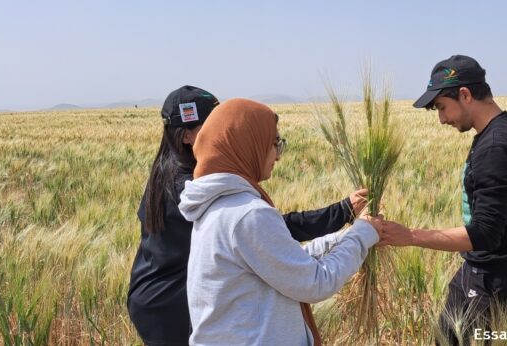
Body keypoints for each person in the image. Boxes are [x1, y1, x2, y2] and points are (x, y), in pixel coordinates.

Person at [126, 86, 369, 346]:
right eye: (212, 125)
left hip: (154, 298)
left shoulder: (195, 186)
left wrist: (341, 228)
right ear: (186, 136)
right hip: (170, 306)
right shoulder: (203, 194)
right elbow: (282, 247)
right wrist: (350, 222)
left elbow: (272, 242)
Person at [378, 55, 507, 345]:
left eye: (442, 107)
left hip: (492, 279)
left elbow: (484, 233)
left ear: (465, 95)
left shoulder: (496, 147)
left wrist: (410, 235)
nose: (441, 119)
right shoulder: (506, 129)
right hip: (497, 271)